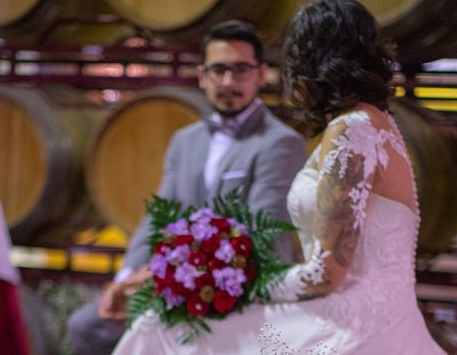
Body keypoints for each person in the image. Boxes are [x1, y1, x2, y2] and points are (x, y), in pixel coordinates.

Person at [111, 0, 446, 354]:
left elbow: (325, 275)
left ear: (313, 63)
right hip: (364, 313)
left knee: (165, 329)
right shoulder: (375, 124)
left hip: (352, 328)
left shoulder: (353, 132)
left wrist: (232, 282)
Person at [67, 20, 307, 354]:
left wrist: (168, 278)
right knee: (86, 326)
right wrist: (125, 280)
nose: (228, 81)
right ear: (202, 76)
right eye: (218, 70)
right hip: (175, 284)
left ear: (261, 74)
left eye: (241, 70)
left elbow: (261, 237)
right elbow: (157, 217)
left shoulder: (280, 143)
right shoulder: (185, 140)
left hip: (242, 288)